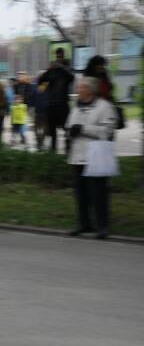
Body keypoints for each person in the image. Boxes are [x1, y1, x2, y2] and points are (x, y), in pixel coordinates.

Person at [66, 76, 117, 239]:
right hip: (78, 156)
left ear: (89, 90)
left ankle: (102, 226)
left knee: (99, 193)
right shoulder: (76, 107)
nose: (77, 90)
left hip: (96, 157)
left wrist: (83, 128)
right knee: (81, 193)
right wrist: (70, 132)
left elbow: (107, 131)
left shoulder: (104, 107)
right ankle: (83, 223)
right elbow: (69, 127)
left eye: (80, 87)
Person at [37, 48, 75, 153]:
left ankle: (68, 150)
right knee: (52, 131)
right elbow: (41, 81)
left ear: (63, 56)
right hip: (52, 105)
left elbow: (72, 78)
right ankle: (53, 152)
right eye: (57, 56)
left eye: (60, 57)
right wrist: (48, 70)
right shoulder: (52, 70)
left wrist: (62, 67)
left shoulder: (67, 68)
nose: (58, 59)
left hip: (63, 104)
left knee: (66, 128)